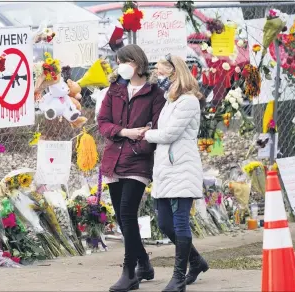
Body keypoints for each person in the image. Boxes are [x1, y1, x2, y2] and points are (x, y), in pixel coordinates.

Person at [98, 44, 166, 292]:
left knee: (127, 213)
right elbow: (103, 123)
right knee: (121, 216)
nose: (120, 66)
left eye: (123, 61)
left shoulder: (154, 94)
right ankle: (145, 264)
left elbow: (156, 128)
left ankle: (130, 273)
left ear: (136, 63)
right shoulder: (114, 90)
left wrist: (140, 142)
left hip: (137, 160)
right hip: (114, 159)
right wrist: (124, 132)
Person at [141, 54, 208, 292]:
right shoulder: (171, 100)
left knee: (179, 223)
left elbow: (169, 134)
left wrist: (145, 134)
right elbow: (164, 131)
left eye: (160, 71)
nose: (157, 75)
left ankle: (178, 277)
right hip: (166, 168)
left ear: (173, 72)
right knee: (164, 223)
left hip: (181, 167)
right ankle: (196, 261)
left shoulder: (188, 101)